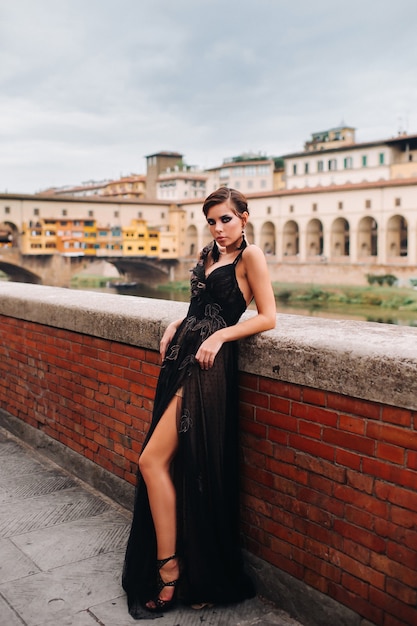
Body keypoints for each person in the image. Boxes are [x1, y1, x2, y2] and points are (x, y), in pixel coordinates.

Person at [122, 186, 276, 618]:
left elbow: (267, 316)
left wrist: (221, 335)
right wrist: (178, 321)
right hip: (178, 358)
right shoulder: (209, 253)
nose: (218, 228)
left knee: (154, 462)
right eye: (211, 220)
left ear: (244, 216)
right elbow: (200, 303)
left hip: (206, 370)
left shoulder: (251, 257)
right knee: (171, 465)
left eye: (225, 219)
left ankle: (173, 569)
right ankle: (175, 562)